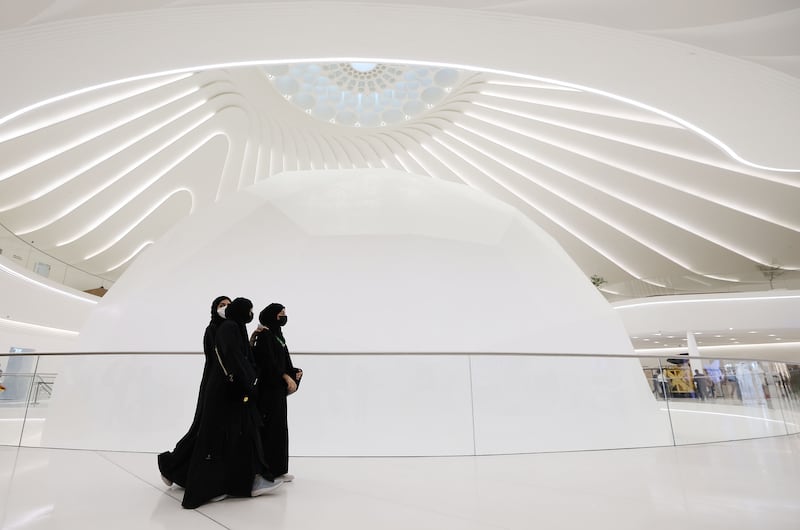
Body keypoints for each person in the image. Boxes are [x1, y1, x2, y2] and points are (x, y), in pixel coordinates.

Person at [180, 297, 283, 509]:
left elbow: (240, 355)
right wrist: (249, 381)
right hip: (223, 391)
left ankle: (245, 481)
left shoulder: (236, 328)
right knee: (212, 439)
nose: (251, 314)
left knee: (239, 436)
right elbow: (231, 358)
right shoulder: (226, 328)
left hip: (232, 391)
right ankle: (202, 485)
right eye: (249, 310)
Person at [159, 296, 231, 488]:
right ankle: (169, 464)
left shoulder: (232, 329)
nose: (225, 308)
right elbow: (219, 358)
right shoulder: (213, 329)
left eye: (229, 306)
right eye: (222, 305)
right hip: (213, 384)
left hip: (224, 386)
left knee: (212, 432)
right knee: (201, 429)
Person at [251, 303, 302, 482]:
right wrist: (285, 377)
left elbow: (283, 360)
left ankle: (279, 470)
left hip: (277, 390)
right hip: (268, 390)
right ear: (272, 316)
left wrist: (293, 372)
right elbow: (268, 363)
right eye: (281, 314)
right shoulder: (265, 335)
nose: (284, 317)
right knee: (270, 429)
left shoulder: (278, 335)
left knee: (280, 429)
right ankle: (266, 471)